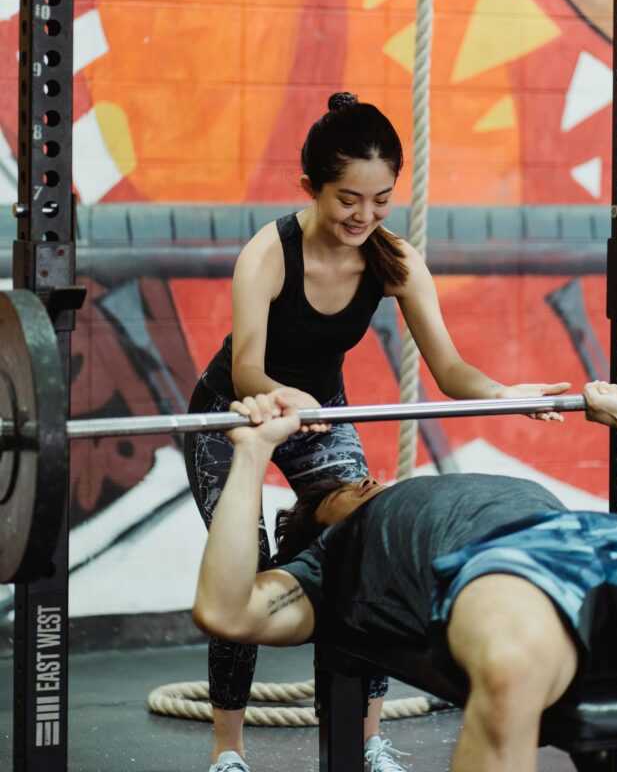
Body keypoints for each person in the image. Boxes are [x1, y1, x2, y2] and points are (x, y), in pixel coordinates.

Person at [184, 92, 571, 772]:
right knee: (245, 567)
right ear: (311, 187)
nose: (363, 216)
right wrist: (277, 401)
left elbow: (450, 370)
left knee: (362, 548)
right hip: (234, 415)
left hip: (320, 410)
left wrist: (502, 393)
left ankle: (366, 736)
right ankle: (228, 750)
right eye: (346, 199)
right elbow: (246, 367)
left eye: (381, 199)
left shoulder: (392, 260)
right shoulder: (268, 256)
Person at [193, 383, 617, 772]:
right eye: (337, 495)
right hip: (509, 568)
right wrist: (253, 452)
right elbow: (224, 611)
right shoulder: (332, 562)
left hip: (599, 544)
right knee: (511, 668)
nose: (365, 480)